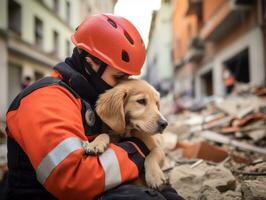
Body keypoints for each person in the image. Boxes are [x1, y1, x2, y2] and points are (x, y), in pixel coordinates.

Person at [5, 14, 183, 200]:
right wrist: (139, 148)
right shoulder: (45, 99)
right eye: (119, 77)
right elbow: (74, 180)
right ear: (91, 62)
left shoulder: (87, 97)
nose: (124, 85)